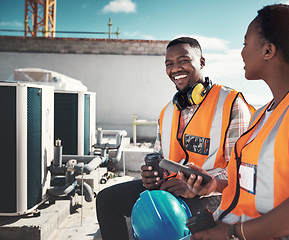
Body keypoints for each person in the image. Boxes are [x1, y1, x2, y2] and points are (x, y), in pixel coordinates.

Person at [180, 4, 289, 240]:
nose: (241, 53)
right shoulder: (263, 114)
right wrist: (215, 185)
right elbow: (258, 183)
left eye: (245, 43)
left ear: (268, 50)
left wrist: (233, 233)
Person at [95, 36, 254, 240]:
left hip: (211, 196)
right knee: (107, 200)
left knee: (166, 223)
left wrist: (199, 188)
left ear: (202, 62)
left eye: (183, 60)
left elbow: (242, 173)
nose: (175, 68)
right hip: (170, 189)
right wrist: (153, 176)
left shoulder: (231, 104)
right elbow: (161, 156)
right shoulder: (167, 111)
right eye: (169, 64)